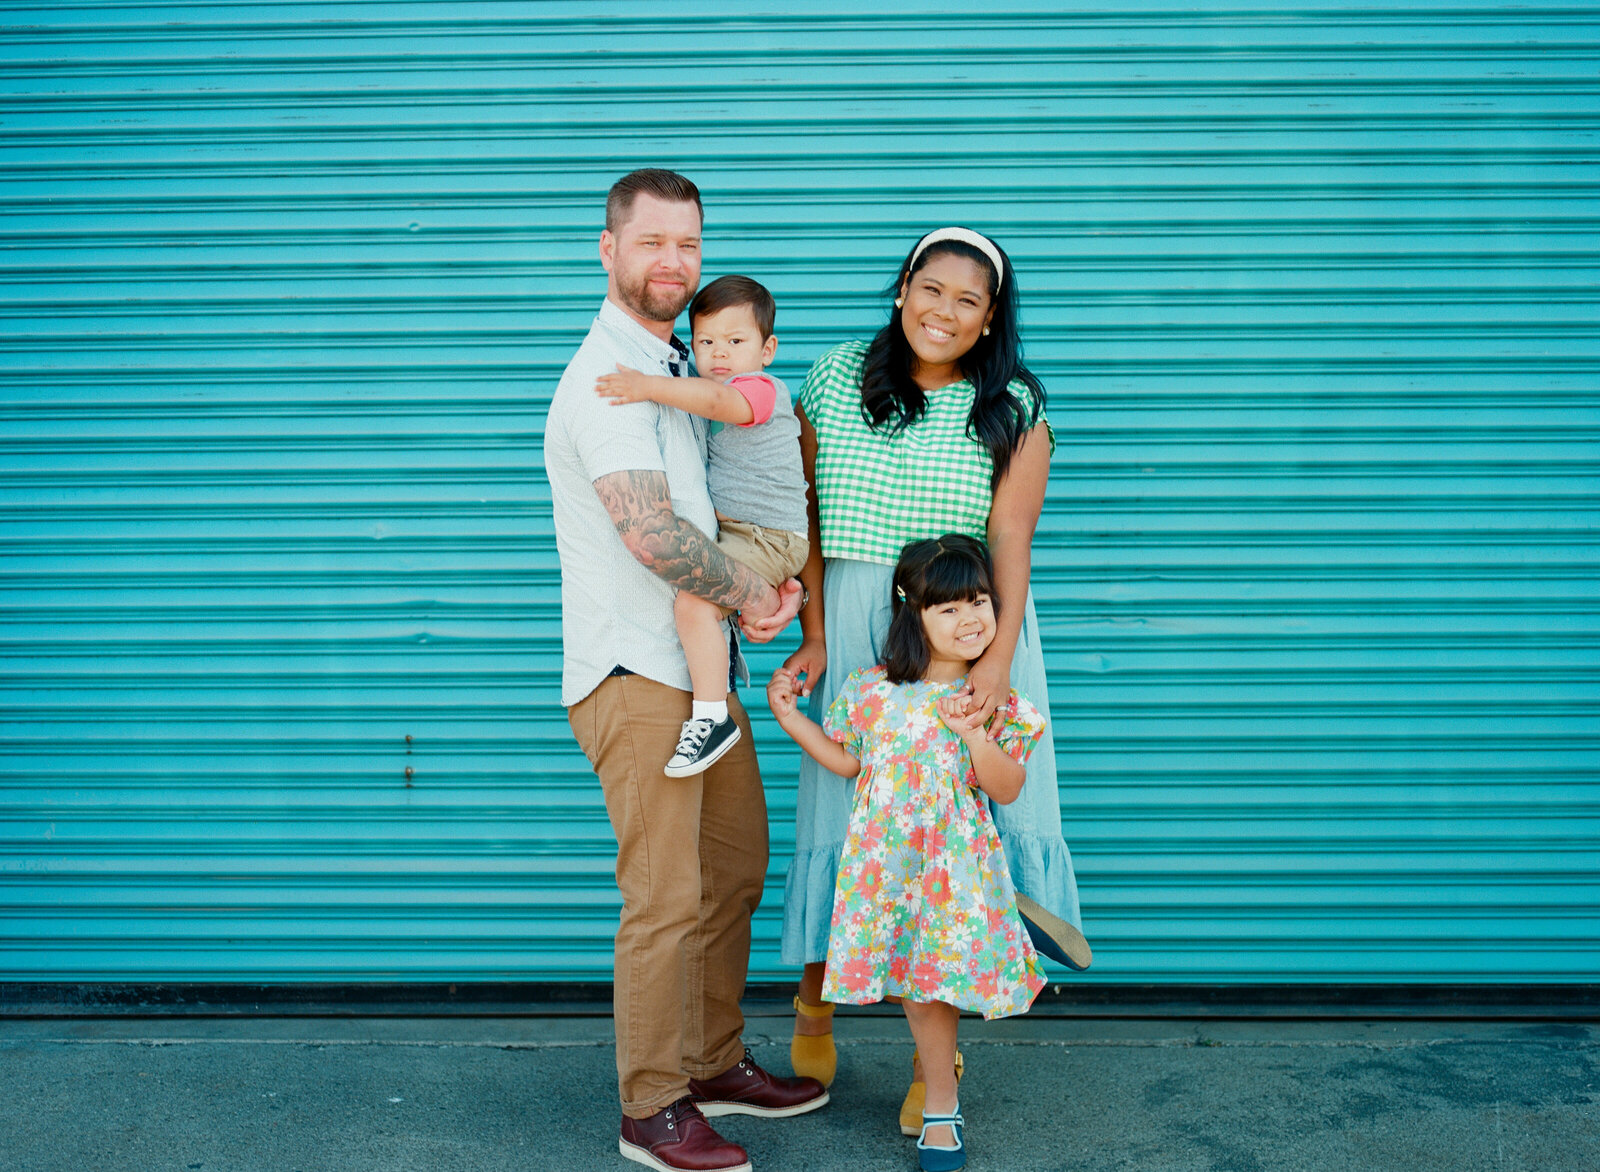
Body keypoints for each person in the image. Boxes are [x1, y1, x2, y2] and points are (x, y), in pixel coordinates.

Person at [544, 168, 825, 1172]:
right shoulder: (605, 380)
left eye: (689, 245)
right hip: (636, 675)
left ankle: (708, 1059)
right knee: (665, 894)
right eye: (652, 241)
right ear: (608, 248)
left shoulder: (673, 359)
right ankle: (651, 1106)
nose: (673, 262)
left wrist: (758, 585)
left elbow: (709, 512)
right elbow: (651, 534)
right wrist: (755, 597)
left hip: (698, 676)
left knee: (733, 868)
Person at [779, 227, 1089, 1130]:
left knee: (954, 839)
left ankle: (936, 1054)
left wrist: (993, 664)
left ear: (992, 319)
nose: (943, 312)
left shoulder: (1016, 403)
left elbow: (1011, 543)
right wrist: (811, 632)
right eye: (932, 288)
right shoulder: (836, 374)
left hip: (965, 627)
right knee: (851, 818)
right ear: (904, 286)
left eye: (969, 300)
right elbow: (801, 511)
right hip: (852, 615)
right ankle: (814, 1002)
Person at [768, 535, 1047, 1172]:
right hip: (886, 870)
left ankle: (942, 1110)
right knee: (912, 987)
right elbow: (847, 761)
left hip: (952, 872)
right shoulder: (873, 692)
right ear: (912, 612)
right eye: (948, 607)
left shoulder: (998, 705)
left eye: (980, 601)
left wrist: (973, 731)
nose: (970, 617)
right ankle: (933, 1094)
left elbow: (1007, 786)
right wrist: (792, 720)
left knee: (933, 987)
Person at [595, 274, 810, 778]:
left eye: (736, 342)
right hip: (744, 535)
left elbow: (719, 404)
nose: (718, 354)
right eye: (706, 342)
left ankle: (711, 717)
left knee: (694, 601)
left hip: (768, 536)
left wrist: (647, 386)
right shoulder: (707, 388)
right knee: (705, 603)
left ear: (768, 349)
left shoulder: (760, 391)